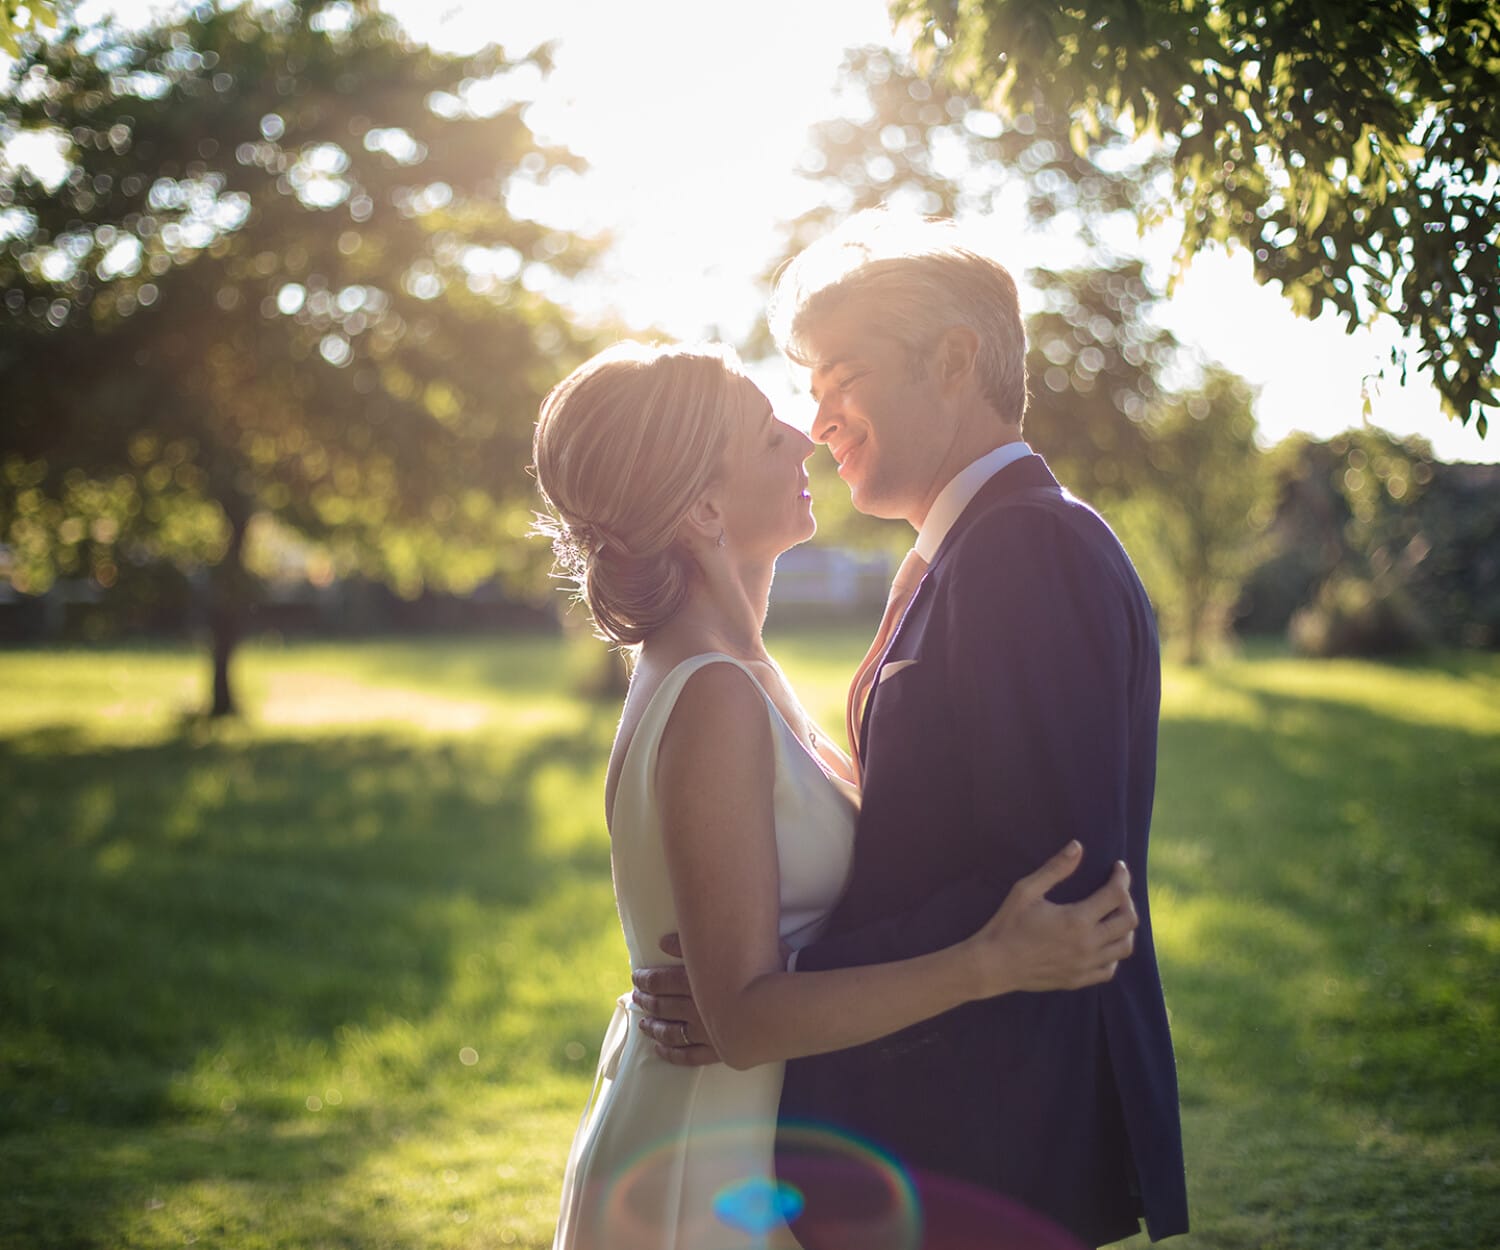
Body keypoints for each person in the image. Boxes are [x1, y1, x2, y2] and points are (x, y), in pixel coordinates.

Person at [632, 215, 1189, 1246]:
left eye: (842, 376)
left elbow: (1056, 885)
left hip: (995, 1131)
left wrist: (768, 993)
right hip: (943, 1119)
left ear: (954, 360)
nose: (817, 418)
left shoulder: (1029, 547)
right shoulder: (972, 544)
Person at [533, 339, 1140, 1249]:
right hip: (710, 1160)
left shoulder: (743, 675)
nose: (805, 435)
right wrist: (991, 961)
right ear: (702, 509)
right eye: (765, 432)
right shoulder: (710, 696)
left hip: (766, 1143)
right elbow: (740, 1017)